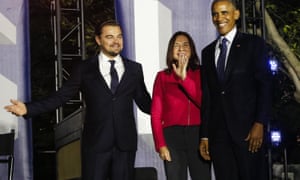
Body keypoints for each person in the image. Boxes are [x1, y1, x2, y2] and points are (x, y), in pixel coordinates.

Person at [4, 20, 152, 180]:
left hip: (125, 144)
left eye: (119, 37)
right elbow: (61, 96)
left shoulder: (135, 69)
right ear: (98, 40)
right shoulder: (84, 69)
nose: (116, 41)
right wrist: (28, 108)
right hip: (96, 143)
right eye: (110, 37)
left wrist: (170, 106)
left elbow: (144, 102)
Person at [199, 0, 272, 180]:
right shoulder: (207, 52)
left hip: (248, 133)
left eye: (224, 13)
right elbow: (208, 97)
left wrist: (260, 123)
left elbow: (265, 86)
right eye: (215, 14)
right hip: (219, 137)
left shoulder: (253, 44)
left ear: (236, 15)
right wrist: (205, 135)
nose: (219, 18)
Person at [151, 31, 211, 180]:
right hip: (172, 137)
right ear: (171, 50)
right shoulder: (162, 77)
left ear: (192, 49)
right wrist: (161, 145)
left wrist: (184, 78)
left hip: (198, 135)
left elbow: (204, 103)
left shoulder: (202, 73)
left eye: (185, 45)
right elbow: (156, 114)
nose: (181, 48)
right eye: (176, 45)